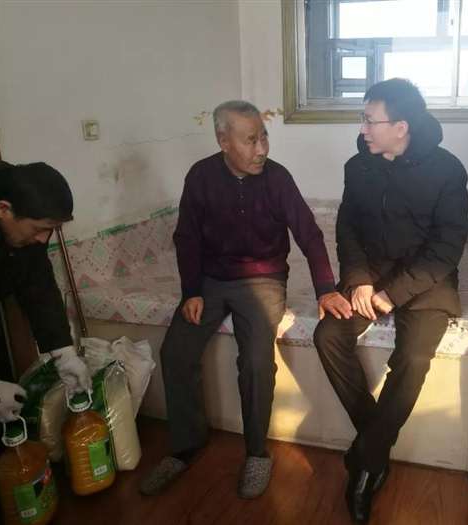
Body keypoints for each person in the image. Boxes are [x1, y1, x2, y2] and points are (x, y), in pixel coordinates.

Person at [139, 100, 351, 498]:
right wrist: (191, 291)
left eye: (264, 137)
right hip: (210, 280)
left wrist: (325, 288)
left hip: (264, 279)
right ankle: (185, 445)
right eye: (251, 140)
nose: (262, 150)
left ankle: (257, 453)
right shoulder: (201, 176)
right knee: (176, 352)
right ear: (223, 141)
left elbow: (309, 234)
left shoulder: (277, 178)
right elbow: (187, 237)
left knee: (255, 360)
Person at [313, 78, 468, 523]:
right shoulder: (358, 166)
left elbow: (447, 248)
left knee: (414, 358)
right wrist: (359, 280)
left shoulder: (447, 170)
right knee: (327, 335)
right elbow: (347, 229)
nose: (362, 129)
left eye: (370, 120)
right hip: (371, 275)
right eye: (362, 119)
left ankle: (365, 463)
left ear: (401, 127)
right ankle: (375, 444)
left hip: (427, 283)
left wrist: (391, 295)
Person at [0, 161, 91, 425]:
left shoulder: (29, 235)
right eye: (39, 228)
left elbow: (38, 286)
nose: (43, 239)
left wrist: (64, 352)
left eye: (52, 229)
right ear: (3, 210)